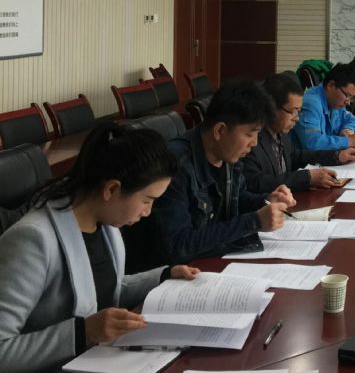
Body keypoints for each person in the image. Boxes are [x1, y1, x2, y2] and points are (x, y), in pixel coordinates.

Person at [0, 124, 200, 371]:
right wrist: (83, 333)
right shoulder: (31, 240)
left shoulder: (104, 223)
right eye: (146, 200)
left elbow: (103, 289)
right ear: (111, 189)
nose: (147, 212)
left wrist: (163, 276)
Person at [122, 79, 297, 273]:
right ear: (220, 130)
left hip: (214, 262)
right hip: (174, 276)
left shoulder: (229, 154)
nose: (254, 143)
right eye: (250, 134)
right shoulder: (175, 166)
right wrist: (254, 221)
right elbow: (178, 246)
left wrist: (266, 201)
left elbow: (236, 199)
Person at [243, 72, 355, 193]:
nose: (297, 118)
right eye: (292, 111)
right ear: (271, 108)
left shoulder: (281, 131)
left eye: (298, 111)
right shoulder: (251, 139)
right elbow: (255, 183)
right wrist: (307, 178)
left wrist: (337, 156)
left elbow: (295, 156)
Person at [293, 63, 355, 151]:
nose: (348, 102)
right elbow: (312, 142)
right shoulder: (311, 104)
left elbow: (351, 119)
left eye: (351, 97)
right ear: (331, 85)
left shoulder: (334, 101)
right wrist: (349, 141)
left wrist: (348, 129)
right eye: (347, 95)